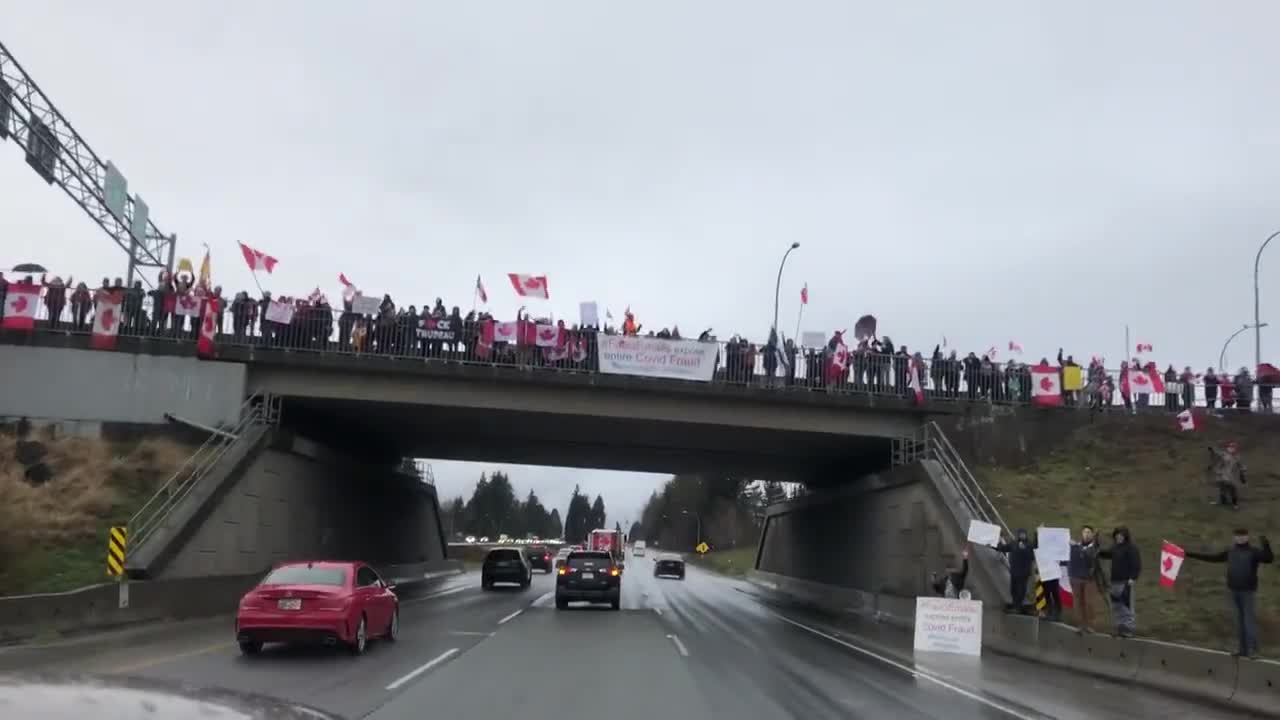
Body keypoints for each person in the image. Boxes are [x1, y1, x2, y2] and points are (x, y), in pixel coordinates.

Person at [1184, 529, 1273, 658]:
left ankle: (1252, 650)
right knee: (1239, 622)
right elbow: (1213, 558)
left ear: (1247, 537)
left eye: (1243, 536)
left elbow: (1268, 559)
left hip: (1247, 592)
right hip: (1233, 591)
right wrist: (1188, 554)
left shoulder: (1253, 552)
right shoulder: (1231, 551)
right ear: (1234, 538)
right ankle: (1242, 649)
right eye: (1238, 536)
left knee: (1248, 622)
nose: (1240, 538)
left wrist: (1266, 544)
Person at [1098, 527, 1140, 638]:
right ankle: (1120, 628)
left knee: (1127, 606)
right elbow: (1107, 554)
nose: (1119, 537)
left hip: (1126, 582)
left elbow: (1136, 564)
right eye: (1117, 535)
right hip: (1114, 582)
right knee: (1117, 606)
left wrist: (1132, 578)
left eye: (1121, 535)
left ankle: (1129, 628)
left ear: (1125, 536)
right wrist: (1097, 550)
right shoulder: (1115, 547)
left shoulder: (1131, 548)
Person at [1067, 525, 1102, 632]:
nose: (1086, 534)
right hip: (1076, 578)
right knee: (1078, 603)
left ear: (1092, 535)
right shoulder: (1076, 546)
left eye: (1088, 532)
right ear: (1081, 534)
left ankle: (1090, 625)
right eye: (1084, 532)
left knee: (1089, 603)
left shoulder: (1094, 547)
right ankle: (1081, 624)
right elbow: (1070, 560)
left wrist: (1076, 547)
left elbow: (1089, 555)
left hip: (1089, 579)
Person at [996, 529, 1037, 613]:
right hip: (1014, 571)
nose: (1022, 536)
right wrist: (997, 542)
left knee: (1021, 590)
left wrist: (1024, 549)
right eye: (1020, 534)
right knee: (1013, 589)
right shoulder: (1014, 543)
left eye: (1023, 534)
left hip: (1023, 572)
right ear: (1018, 535)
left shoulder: (1029, 545)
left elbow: (1032, 556)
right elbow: (1003, 548)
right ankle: (1015, 605)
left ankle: (1019, 606)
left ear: (1026, 535)